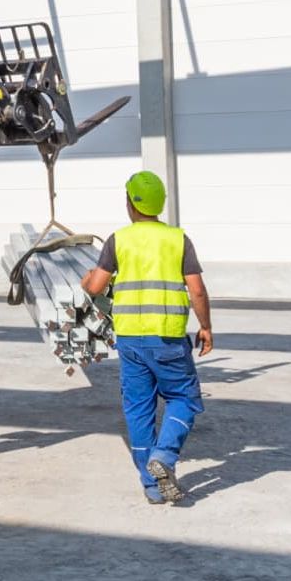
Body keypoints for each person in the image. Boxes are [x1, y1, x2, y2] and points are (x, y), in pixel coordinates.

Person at [82, 171, 213, 504]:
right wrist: (206, 326)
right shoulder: (178, 240)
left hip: (130, 339)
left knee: (139, 409)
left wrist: (87, 281)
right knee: (183, 398)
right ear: (160, 204)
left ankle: (152, 485)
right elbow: (197, 290)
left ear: (130, 203)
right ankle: (164, 455)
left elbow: (95, 287)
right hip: (168, 338)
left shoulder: (119, 240)